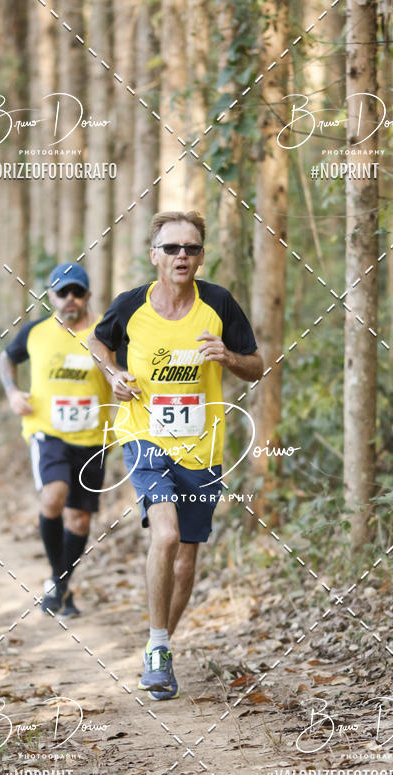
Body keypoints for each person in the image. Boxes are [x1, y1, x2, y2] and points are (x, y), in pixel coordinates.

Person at [90, 211, 263, 700]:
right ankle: (159, 648)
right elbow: (99, 343)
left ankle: (159, 643)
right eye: (171, 248)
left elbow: (258, 365)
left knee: (186, 562)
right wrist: (113, 375)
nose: (181, 256)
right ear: (155, 256)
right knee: (164, 534)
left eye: (190, 248)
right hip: (144, 437)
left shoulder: (219, 304)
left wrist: (228, 357)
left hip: (201, 448)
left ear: (201, 256)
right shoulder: (131, 305)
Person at [0, 262, 112, 617]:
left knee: (79, 520)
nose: (70, 299)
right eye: (62, 292)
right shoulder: (35, 332)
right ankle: (58, 582)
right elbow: (6, 358)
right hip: (46, 432)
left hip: (93, 437)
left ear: (88, 295)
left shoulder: (105, 333)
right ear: (50, 296)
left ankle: (60, 583)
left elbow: (123, 370)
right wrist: (13, 392)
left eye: (77, 292)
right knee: (54, 495)